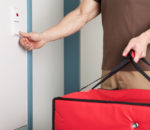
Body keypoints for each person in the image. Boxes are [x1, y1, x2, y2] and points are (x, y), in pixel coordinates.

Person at [19, 0, 150, 90]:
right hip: (110, 71)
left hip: (144, 70)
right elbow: (81, 14)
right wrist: (44, 36)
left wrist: (144, 38)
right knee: (109, 128)